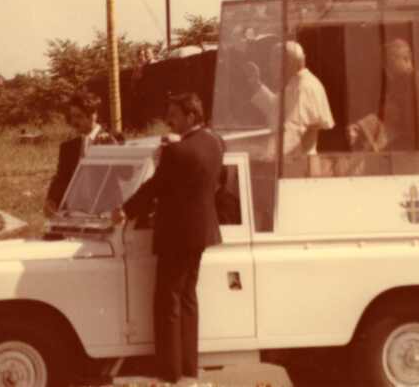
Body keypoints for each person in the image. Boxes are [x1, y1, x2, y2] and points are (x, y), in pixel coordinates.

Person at [114, 92, 224, 385]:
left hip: (177, 234)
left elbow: (156, 187)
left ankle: (169, 372)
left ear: (190, 116)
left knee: (168, 301)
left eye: (173, 114)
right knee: (188, 297)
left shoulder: (177, 152)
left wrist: (125, 210)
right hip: (202, 231)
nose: (168, 120)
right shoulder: (215, 142)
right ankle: (188, 367)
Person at [347, 38, 419, 172]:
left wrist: (363, 127)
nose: (388, 66)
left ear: (403, 59)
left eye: (390, 61)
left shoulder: (410, 82)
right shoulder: (408, 80)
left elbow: (394, 116)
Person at [245, 41, 335, 158]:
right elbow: (275, 108)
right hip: (291, 159)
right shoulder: (295, 83)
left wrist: (266, 154)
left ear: (287, 62)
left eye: (273, 60)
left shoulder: (304, 87)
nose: (270, 65)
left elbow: (293, 131)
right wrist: (256, 83)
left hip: (297, 164)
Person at [45, 91, 115, 217]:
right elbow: (61, 178)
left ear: (93, 115)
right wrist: (51, 199)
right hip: (77, 212)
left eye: (79, 116)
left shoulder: (114, 139)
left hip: (106, 212)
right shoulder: (68, 147)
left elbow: (125, 176)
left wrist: (113, 148)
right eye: (72, 116)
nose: (74, 122)